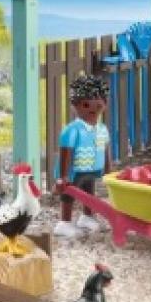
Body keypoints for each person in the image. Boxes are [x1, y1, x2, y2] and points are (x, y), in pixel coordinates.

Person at [53, 74, 111, 238]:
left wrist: (108, 169)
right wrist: (63, 176)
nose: (93, 109)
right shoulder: (72, 130)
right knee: (69, 194)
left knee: (89, 193)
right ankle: (64, 222)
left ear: (104, 104)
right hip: (75, 171)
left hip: (92, 169)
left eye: (98, 105)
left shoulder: (102, 129)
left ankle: (87, 216)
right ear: (75, 105)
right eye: (86, 105)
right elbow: (66, 152)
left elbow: (105, 149)